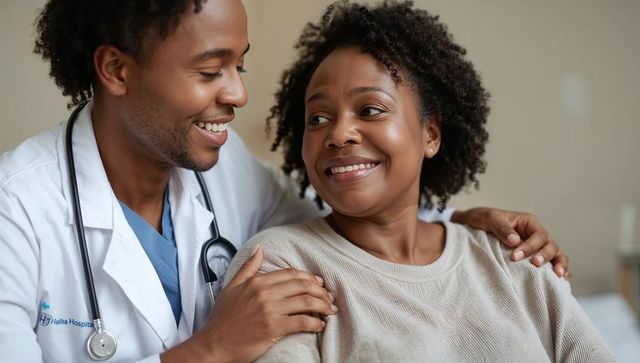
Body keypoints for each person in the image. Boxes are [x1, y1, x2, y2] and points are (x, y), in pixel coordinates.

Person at [0, 0, 568, 362]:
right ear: (117, 70)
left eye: (238, 66)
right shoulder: (16, 209)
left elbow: (349, 213)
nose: (238, 94)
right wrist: (212, 350)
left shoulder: (224, 169)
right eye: (208, 70)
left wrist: (464, 224)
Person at [223, 1, 615, 362]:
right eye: (318, 119)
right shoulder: (282, 265)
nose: (339, 133)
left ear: (430, 135)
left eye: (371, 109)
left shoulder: (513, 257)